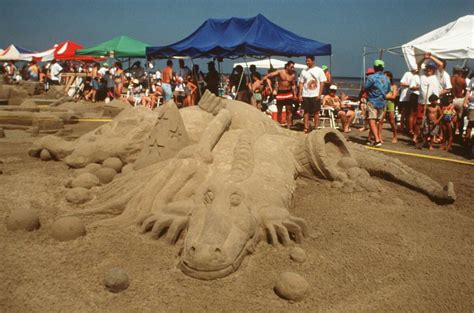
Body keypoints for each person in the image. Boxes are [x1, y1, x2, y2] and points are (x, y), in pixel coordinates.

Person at [414, 58, 442, 145]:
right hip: (421, 102)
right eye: (427, 68)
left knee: (431, 122)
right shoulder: (422, 75)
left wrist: (431, 57)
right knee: (419, 121)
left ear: (433, 70)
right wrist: (424, 58)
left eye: (430, 68)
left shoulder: (436, 76)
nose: (428, 70)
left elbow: (440, 65)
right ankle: (416, 136)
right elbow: (418, 65)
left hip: (432, 103)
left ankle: (429, 139)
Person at [262, 61, 297, 128]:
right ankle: (278, 124)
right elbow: (271, 74)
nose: (293, 68)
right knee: (279, 110)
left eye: (293, 67)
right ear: (287, 66)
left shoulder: (293, 75)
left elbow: (293, 85)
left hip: (289, 93)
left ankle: (288, 125)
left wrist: (295, 94)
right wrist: (266, 77)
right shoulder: (280, 72)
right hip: (280, 93)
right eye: (291, 67)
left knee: (289, 110)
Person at [364, 59, 390, 147]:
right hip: (382, 102)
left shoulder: (371, 78)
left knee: (372, 120)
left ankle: (377, 139)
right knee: (376, 121)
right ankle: (369, 139)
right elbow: (388, 90)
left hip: (372, 101)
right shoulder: (386, 79)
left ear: (374, 67)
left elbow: (366, 87)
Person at [398, 68, 417, 133]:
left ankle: (408, 127)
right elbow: (401, 83)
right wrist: (411, 85)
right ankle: (401, 127)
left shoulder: (418, 76)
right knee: (404, 112)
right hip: (405, 97)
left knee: (410, 113)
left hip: (412, 97)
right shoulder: (407, 74)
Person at [381, 71, 398, 143]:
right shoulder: (382, 85)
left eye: (387, 76)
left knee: (392, 120)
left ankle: (395, 136)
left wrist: (385, 96)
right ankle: (379, 136)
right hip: (383, 102)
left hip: (390, 103)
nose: (385, 78)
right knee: (381, 120)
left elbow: (394, 96)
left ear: (390, 77)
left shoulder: (393, 86)